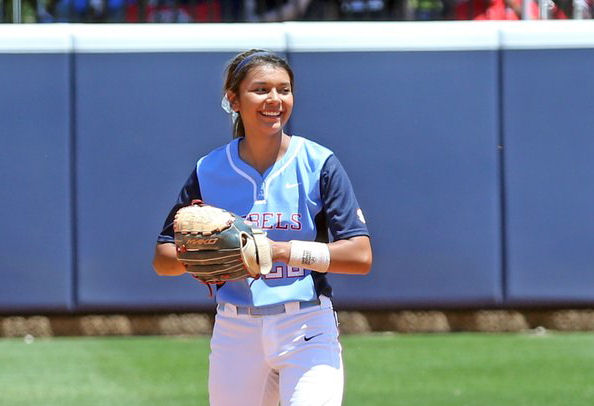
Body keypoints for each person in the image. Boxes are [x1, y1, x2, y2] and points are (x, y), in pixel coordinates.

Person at [152, 49, 372, 406]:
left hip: (306, 324)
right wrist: (205, 255)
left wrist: (278, 251)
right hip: (236, 330)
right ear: (234, 100)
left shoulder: (318, 163)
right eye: (261, 89)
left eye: (284, 90)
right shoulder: (209, 170)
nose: (274, 99)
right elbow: (163, 259)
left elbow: (360, 255)